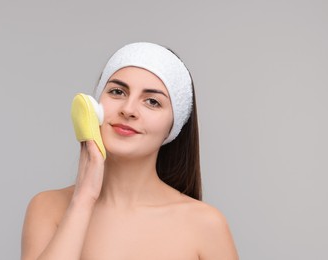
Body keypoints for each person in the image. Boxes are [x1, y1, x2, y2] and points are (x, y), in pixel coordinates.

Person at [21, 42, 238, 260]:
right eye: (117, 92)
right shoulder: (47, 208)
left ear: (173, 127)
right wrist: (84, 199)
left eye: (152, 102)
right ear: (96, 107)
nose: (128, 109)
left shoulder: (206, 225)